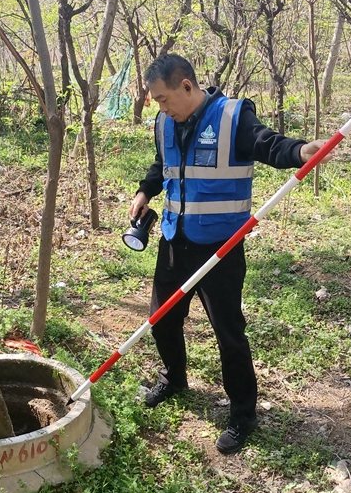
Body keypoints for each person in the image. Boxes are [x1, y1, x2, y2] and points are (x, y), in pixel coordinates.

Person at [130, 54, 331, 454]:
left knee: (228, 332)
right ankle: (174, 378)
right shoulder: (164, 123)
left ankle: (242, 414)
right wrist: (145, 191)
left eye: (164, 98)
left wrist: (301, 151)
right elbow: (164, 165)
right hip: (174, 240)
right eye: (155, 101)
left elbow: (266, 144)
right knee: (162, 319)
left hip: (219, 249)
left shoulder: (231, 117)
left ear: (187, 86)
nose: (161, 107)